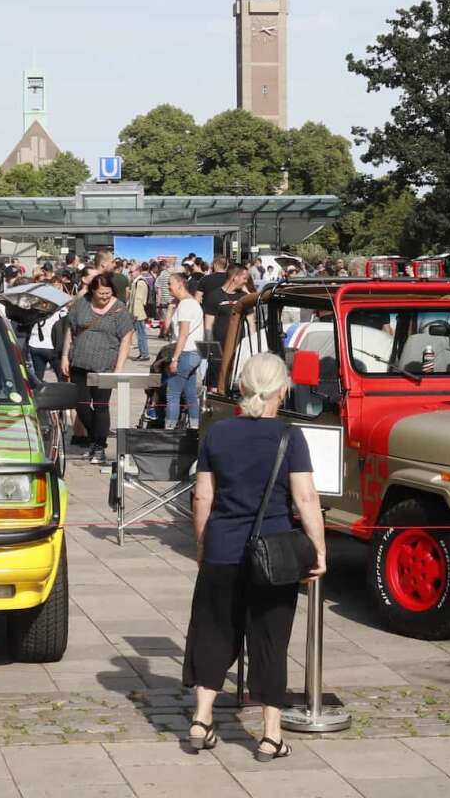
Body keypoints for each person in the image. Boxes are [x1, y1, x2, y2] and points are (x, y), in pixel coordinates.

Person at [182, 353, 326, 761]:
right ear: (283, 390)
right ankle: (270, 734)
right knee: (269, 640)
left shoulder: (217, 434)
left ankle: (202, 717)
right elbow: (306, 497)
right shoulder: (289, 436)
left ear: (242, 388)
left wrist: (202, 545)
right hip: (275, 554)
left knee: (213, 633)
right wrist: (319, 548)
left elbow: (203, 498)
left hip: (222, 549)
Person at [60, 273, 134, 463]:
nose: (104, 297)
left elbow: (126, 338)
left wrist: (119, 367)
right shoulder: (82, 303)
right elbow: (71, 330)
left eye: (108, 293)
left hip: (104, 365)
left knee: (101, 406)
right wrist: (64, 356)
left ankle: (99, 445)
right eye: (101, 293)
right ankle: (95, 439)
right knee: (81, 404)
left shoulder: (119, 310)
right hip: (79, 362)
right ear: (93, 291)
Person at [166, 272, 205, 430]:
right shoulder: (189, 303)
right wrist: (170, 310)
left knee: (173, 394)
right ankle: (195, 429)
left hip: (186, 353)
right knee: (190, 395)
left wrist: (175, 358)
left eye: (170, 284)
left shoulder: (186, 305)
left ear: (180, 284)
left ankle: (169, 432)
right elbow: (168, 329)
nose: (168, 288)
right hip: (194, 353)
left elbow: (183, 333)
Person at [128, 267, 151, 361]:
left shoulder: (140, 282)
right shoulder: (137, 282)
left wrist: (135, 313)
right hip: (136, 312)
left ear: (138, 271)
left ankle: (145, 354)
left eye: (131, 271)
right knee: (140, 334)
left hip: (138, 313)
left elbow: (138, 300)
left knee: (141, 334)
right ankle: (143, 353)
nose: (130, 273)